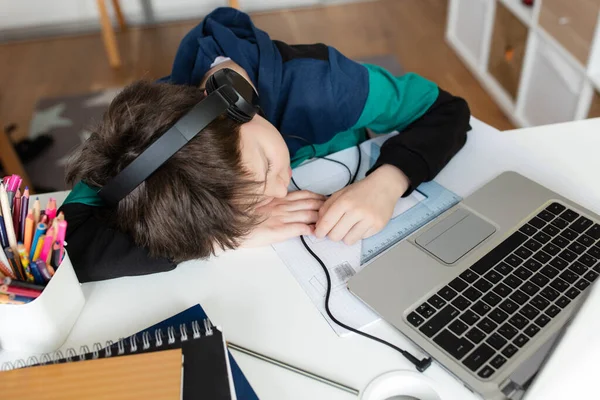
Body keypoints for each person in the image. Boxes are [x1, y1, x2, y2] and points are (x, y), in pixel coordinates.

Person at [60, 7, 470, 282]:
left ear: (234, 105)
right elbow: (66, 248)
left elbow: (448, 110)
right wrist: (220, 236)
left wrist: (389, 181)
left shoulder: (325, 87)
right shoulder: (137, 140)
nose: (278, 193)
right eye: (250, 203)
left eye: (269, 169)